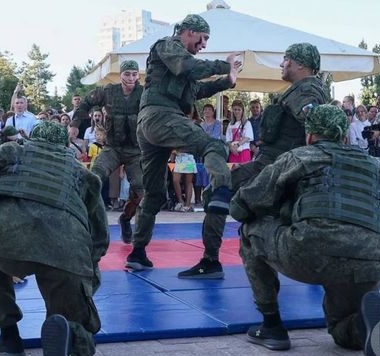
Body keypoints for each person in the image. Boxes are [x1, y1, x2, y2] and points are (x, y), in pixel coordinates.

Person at [229, 105, 380, 356]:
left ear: (310, 135)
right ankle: (362, 325)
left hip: (308, 252)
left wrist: (280, 214)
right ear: (344, 136)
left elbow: (243, 205)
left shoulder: (300, 158)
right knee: (342, 329)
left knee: (250, 230)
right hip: (367, 263)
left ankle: (272, 326)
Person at [0, 121, 109, 356]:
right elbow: (99, 239)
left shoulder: (14, 151)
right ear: (65, 145)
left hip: (7, 242)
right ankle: (70, 342)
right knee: (72, 309)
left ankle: (8, 338)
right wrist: (85, 276)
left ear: (31, 140)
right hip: (67, 250)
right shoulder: (84, 174)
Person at [179, 42, 329, 279]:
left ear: (301, 64)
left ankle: (211, 261)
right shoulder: (302, 89)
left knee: (219, 192)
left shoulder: (307, 91)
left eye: (286, 59)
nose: (282, 63)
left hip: (278, 164)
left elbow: (316, 122)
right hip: (276, 162)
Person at [127, 14, 242, 270]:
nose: (204, 44)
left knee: (154, 193)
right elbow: (187, 67)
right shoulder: (167, 45)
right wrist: (223, 66)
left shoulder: (182, 63)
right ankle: (222, 191)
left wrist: (227, 81)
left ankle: (137, 252)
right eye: (203, 38)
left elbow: (196, 90)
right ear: (189, 31)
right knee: (212, 145)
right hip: (160, 117)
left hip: (154, 124)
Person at [70, 60, 144, 244]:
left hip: (136, 151)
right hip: (112, 148)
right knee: (93, 177)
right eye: (127, 74)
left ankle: (126, 218)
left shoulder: (145, 93)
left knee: (141, 190)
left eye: (134, 74)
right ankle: (85, 223)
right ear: (121, 75)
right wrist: (74, 125)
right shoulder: (108, 91)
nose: (131, 78)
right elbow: (85, 103)